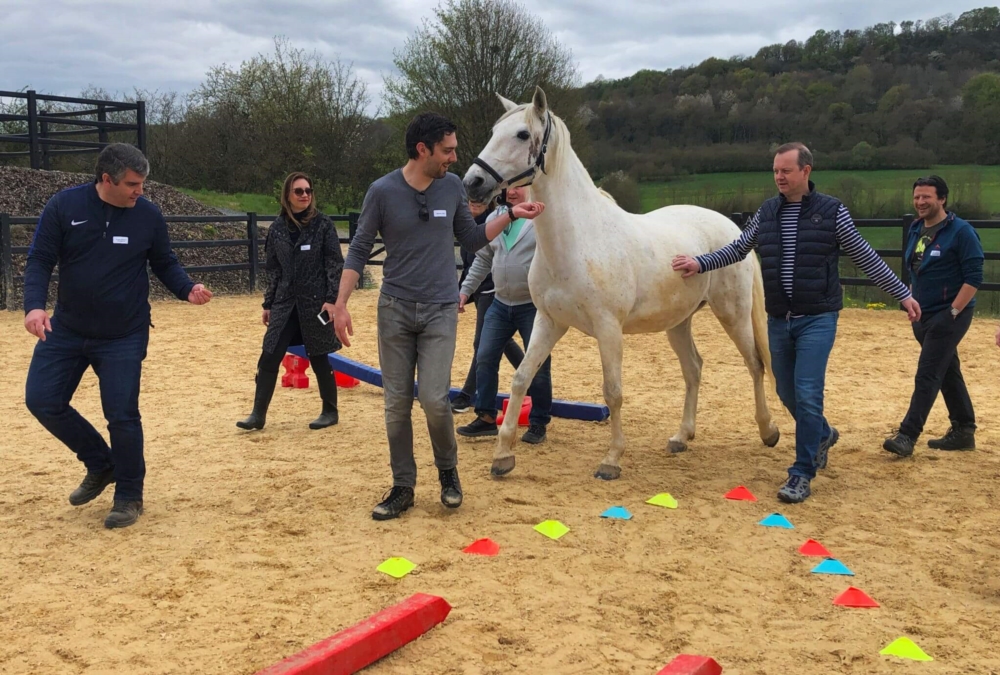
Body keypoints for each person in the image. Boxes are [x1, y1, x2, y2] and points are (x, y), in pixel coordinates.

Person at [671, 142, 920, 504]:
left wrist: (901, 292)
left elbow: (865, 255)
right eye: (775, 171)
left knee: (806, 393)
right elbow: (739, 249)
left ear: (806, 171)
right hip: (779, 319)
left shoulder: (833, 212)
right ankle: (821, 433)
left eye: (786, 170)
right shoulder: (767, 212)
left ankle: (801, 472)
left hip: (817, 318)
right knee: (785, 392)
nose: (779, 177)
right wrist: (700, 263)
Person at [332, 112, 543, 521]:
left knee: (432, 398)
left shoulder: (451, 189)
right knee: (395, 404)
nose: (454, 157)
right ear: (422, 149)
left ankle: (448, 473)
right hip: (394, 309)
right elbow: (358, 250)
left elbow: (470, 237)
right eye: (447, 150)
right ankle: (403, 485)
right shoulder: (382, 191)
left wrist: (512, 215)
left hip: (440, 310)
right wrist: (340, 304)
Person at [22, 143, 213, 529]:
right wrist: (34, 306)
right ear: (106, 179)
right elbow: (40, 259)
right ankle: (100, 462)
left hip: (124, 334)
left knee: (122, 415)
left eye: (142, 183)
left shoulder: (148, 215)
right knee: (41, 399)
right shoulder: (64, 207)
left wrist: (186, 288)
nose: (139, 191)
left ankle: (129, 494)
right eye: (132, 184)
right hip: (68, 329)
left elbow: (164, 262)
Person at [883, 176, 984, 456]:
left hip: (950, 315)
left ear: (942, 199)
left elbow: (974, 277)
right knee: (947, 370)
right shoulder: (917, 229)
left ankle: (907, 435)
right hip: (923, 314)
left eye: (926, 197)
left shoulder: (961, 232)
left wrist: (953, 311)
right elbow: (917, 268)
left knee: (927, 373)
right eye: (917, 197)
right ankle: (964, 429)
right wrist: (912, 300)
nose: (920, 202)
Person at [236, 172, 345, 431]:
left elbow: (334, 265)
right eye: (298, 191)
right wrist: (268, 303)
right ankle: (257, 415)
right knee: (269, 354)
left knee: (319, 356)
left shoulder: (324, 225)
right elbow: (273, 270)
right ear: (287, 195)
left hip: (316, 302)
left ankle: (330, 411)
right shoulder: (276, 229)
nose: (304, 195)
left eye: (308, 190)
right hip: (285, 303)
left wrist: (332, 300)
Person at [456, 185, 551, 444]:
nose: (512, 192)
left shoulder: (542, 219)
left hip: (532, 305)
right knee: (485, 356)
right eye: (509, 186)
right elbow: (483, 260)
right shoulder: (494, 218)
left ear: (532, 187)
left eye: (519, 186)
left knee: (539, 364)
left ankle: (539, 422)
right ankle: (486, 417)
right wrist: (464, 291)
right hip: (499, 301)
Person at [451, 199, 525, 414]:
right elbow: (471, 265)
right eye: (470, 201)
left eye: (479, 201)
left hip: (494, 289)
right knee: (501, 341)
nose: (473, 204)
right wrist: (463, 292)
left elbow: (486, 260)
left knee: (482, 343)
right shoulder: (468, 227)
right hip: (481, 289)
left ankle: (467, 394)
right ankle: (530, 376)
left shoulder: (492, 223)